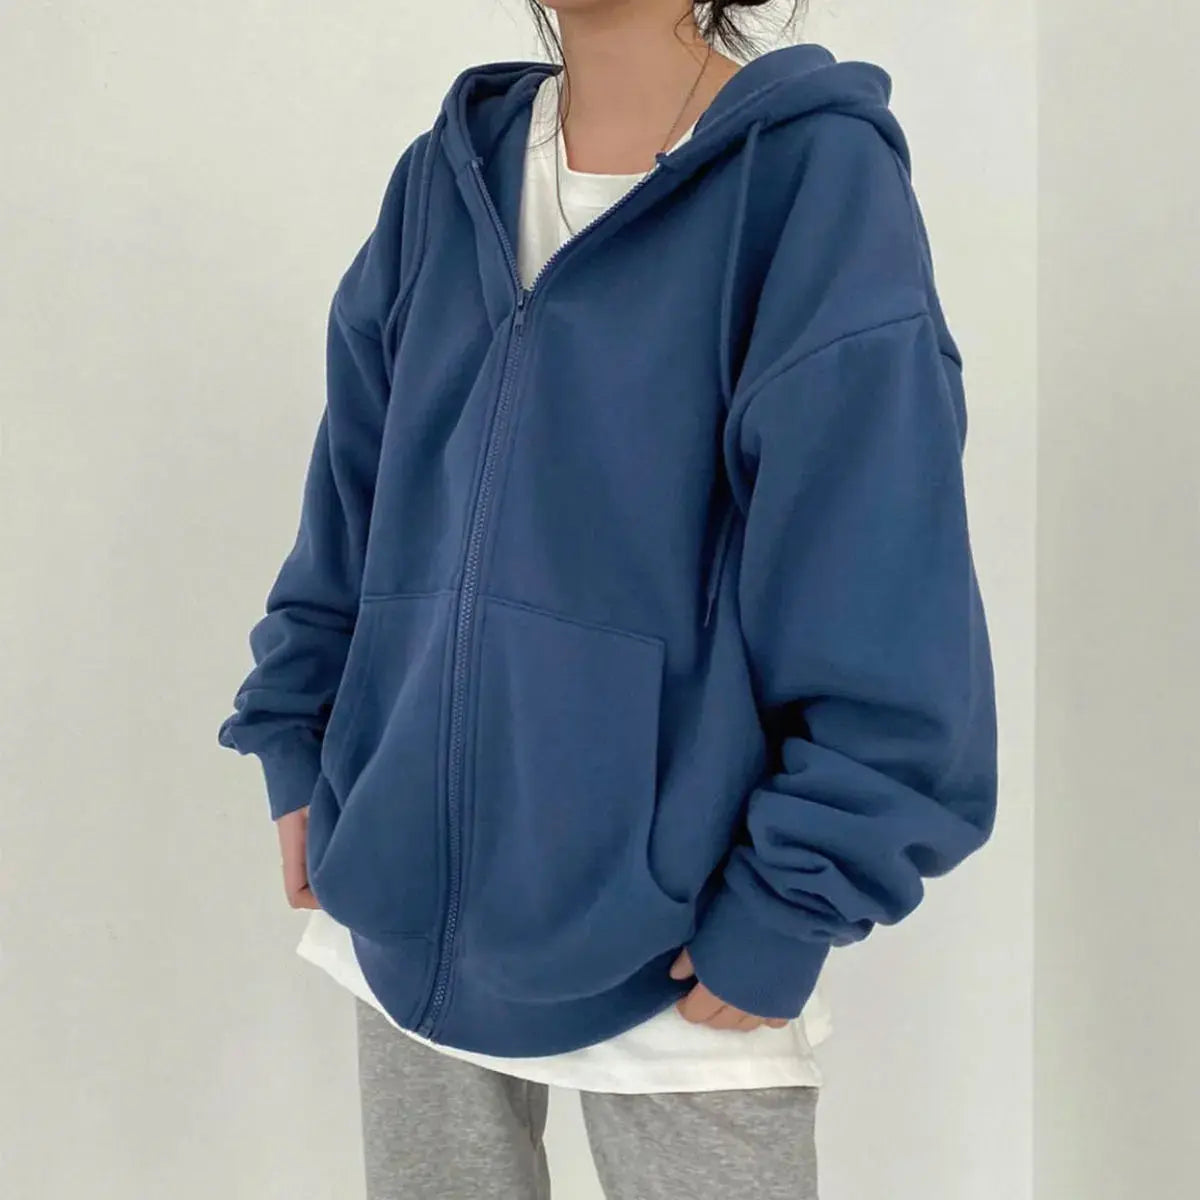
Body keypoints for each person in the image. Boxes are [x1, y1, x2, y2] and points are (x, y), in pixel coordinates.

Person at [218, 1, 999, 1195]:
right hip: (400, 913)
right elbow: (353, 495)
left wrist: (796, 901)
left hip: (682, 958)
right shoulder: (446, 179)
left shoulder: (810, 182)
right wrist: (298, 736)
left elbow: (883, 563)